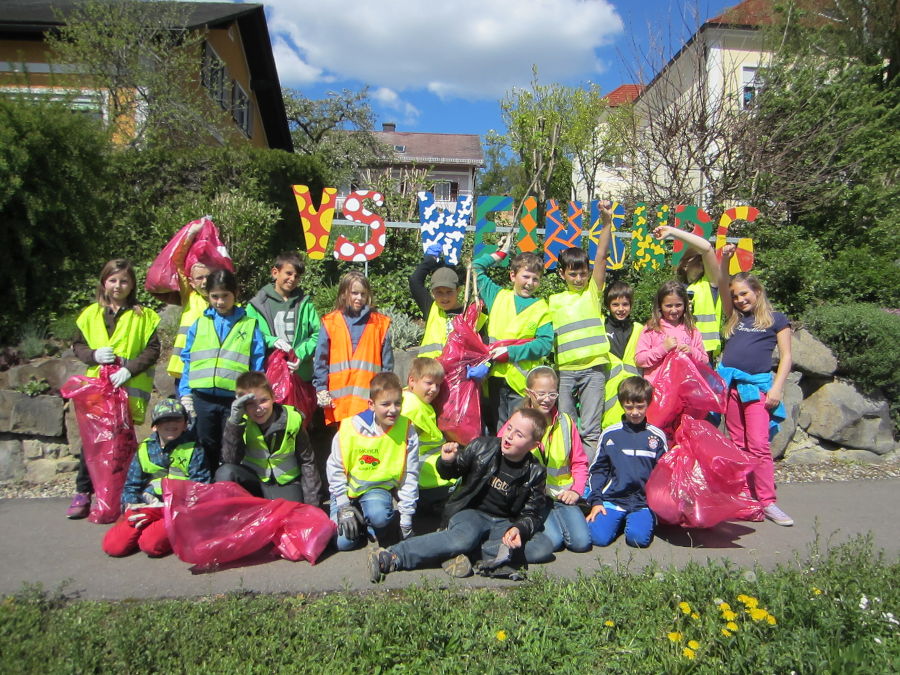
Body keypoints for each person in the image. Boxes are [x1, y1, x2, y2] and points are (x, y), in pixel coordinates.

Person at [368, 407, 553, 582]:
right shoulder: (482, 446)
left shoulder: (536, 472)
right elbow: (451, 472)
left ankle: (467, 553)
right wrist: (447, 462)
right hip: (470, 514)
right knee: (463, 538)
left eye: (519, 435)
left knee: (542, 547)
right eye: (509, 428)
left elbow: (532, 513)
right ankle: (394, 555)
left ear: (533, 445)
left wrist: (519, 529)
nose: (509, 436)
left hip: (503, 524)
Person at [68, 259, 161, 519]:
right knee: (93, 444)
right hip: (97, 390)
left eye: (124, 281)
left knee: (123, 445)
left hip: (126, 389)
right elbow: (77, 345)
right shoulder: (90, 314)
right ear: (104, 282)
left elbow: (153, 349)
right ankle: (83, 491)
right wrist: (94, 355)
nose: (118, 286)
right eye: (113, 280)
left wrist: (129, 369)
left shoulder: (144, 315)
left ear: (132, 285)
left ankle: (121, 494)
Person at [717, 253, 794, 527]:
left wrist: (776, 389)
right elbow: (721, 280)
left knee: (759, 445)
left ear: (757, 291)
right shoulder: (734, 317)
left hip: (758, 389)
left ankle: (767, 501)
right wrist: (725, 260)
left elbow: (786, 357)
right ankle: (745, 494)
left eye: (744, 294)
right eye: (736, 296)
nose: (740, 300)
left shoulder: (776, 319)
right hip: (733, 389)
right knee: (737, 444)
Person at [179, 268, 266, 470]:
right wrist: (185, 393)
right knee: (204, 444)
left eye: (225, 296)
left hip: (233, 400)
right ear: (208, 296)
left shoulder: (249, 324)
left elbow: (257, 362)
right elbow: (188, 360)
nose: (220, 301)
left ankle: (228, 486)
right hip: (202, 398)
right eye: (214, 296)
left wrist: (253, 393)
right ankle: (206, 487)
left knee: (231, 446)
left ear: (235, 293)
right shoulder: (199, 323)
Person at [102, 399, 208, 557]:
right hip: (146, 506)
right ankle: (146, 528)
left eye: (176, 419)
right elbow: (132, 485)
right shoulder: (144, 448)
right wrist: (131, 505)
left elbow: (200, 489)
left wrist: (171, 509)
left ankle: (167, 531)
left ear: (186, 424)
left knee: (151, 545)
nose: (171, 424)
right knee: (113, 547)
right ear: (155, 425)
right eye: (164, 420)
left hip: (175, 510)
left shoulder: (195, 449)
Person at [548, 200, 613, 459]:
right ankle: (566, 474)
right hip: (565, 372)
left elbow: (601, 256)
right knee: (565, 426)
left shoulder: (592, 293)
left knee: (590, 429)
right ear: (562, 274)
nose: (578, 278)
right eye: (572, 274)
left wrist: (607, 223)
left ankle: (589, 481)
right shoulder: (552, 301)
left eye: (582, 273)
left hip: (594, 369)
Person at [501, 366, 591, 553]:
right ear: (529, 393)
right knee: (554, 542)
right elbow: (501, 453)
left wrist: (576, 490)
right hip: (533, 499)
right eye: (541, 393)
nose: (547, 400)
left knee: (581, 543)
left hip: (562, 495)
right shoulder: (517, 422)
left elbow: (580, 463)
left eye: (553, 394)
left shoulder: (566, 422)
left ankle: (562, 519)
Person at [326, 372, 420, 550]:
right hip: (346, 492)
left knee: (379, 516)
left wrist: (406, 521)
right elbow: (335, 468)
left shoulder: (408, 430)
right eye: (385, 404)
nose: (393, 410)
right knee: (343, 544)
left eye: (398, 403)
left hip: (376, 492)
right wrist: (344, 507)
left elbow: (410, 476)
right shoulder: (348, 428)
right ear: (371, 405)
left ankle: (371, 523)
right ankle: (357, 520)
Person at [473, 230, 553, 431]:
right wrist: (500, 254)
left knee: (521, 429)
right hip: (494, 378)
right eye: (525, 276)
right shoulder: (497, 296)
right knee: (498, 430)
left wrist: (511, 353)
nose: (530, 283)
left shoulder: (541, 307)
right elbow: (475, 268)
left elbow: (545, 344)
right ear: (512, 276)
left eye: (536, 279)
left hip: (523, 382)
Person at [215, 371, 321, 504]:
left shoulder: (293, 418)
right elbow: (230, 460)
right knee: (224, 472)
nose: (258, 409)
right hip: (255, 481)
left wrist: (313, 505)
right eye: (251, 404)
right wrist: (235, 423)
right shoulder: (239, 421)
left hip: (285, 483)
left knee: (286, 517)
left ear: (273, 397)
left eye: (263, 400)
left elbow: (307, 462)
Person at [586, 376, 667, 548]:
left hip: (643, 503)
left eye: (640, 406)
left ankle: (637, 519)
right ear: (622, 404)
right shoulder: (610, 434)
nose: (635, 412)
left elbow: (664, 474)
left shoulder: (657, 436)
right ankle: (617, 519)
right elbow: (598, 471)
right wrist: (596, 502)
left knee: (638, 540)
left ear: (648, 403)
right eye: (629, 407)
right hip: (613, 499)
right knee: (597, 538)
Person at [313, 271, 394, 426]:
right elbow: (321, 360)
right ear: (344, 294)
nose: (359, 298)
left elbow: (387, 365)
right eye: (354, 293)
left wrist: (386, 391)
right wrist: (321, 388)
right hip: (339, 403)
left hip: (369, 402)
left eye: (363, 294)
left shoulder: (380, 324)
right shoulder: (330, 322)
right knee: (343, 446)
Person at [246, 251, 319, 383]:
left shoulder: (305, 304)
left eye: (297, 276)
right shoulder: (256, 305)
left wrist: (300, 354)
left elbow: (318, 334)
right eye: (289, 273)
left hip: (300, 376)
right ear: (275, 272)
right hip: (268, 375)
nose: (292, 279)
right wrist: (270, 340)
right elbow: (248, 333)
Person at [401, 357, 457, 516]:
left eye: (438, 385)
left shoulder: (408, 397)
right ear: (412, 381)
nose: (434, 389)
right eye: (429, 383)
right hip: (423, 475)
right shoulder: (413, 408)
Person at [659, 224, 724, 361]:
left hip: (702, 355)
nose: (703, 264)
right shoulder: (676, 288)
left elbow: (707, 249)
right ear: (686, 263)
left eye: (704, 261)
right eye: (698, 261)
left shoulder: (710, 284)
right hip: (675, 353)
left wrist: (672, 232)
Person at [634, 280, 707, 385]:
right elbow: (640, 360)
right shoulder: (652, 329)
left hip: (685, 389)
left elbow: (704, 360)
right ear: (660, 306)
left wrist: (692, 351)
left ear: (685, 305)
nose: (674, 310)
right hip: (658, 389)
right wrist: (662, 349)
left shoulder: (691, 330)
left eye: (678, 305)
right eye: (668, 306)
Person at [408, 245, 464, 358]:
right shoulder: (431, 308)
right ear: (432, 293)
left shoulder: (468, 312)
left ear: (458, 290)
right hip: (431, 372)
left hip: (458, 372)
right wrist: (430, 260)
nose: (444, 297)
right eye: (439, 292)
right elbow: (415, 281)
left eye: (449, 292)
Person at [602, 282, 644, 429]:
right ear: (608, 306)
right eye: (615, 304)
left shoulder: (639, 329)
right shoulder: (600, 326)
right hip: (607, 395)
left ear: (631, 305)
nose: (621, 309)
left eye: (625, 304)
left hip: (635, 398)